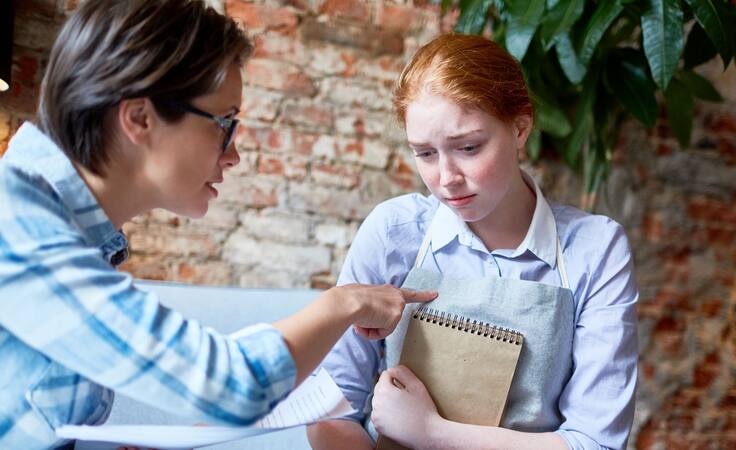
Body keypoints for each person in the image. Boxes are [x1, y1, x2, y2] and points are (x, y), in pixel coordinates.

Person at [0, 1, 437, 448]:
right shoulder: (15, 223)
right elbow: (232, 387)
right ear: (139, 118)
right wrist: (345, 303)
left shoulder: (66, 233)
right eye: (224, 123)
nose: (234, 155)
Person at [306, 33, 639, 450]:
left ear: (520, 127)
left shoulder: (595, 248)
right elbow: (331, 409)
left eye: (468, 147)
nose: (446, 179)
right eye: (425, 153)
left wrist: (432, 433)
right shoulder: (393, 232)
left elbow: (596, 442)